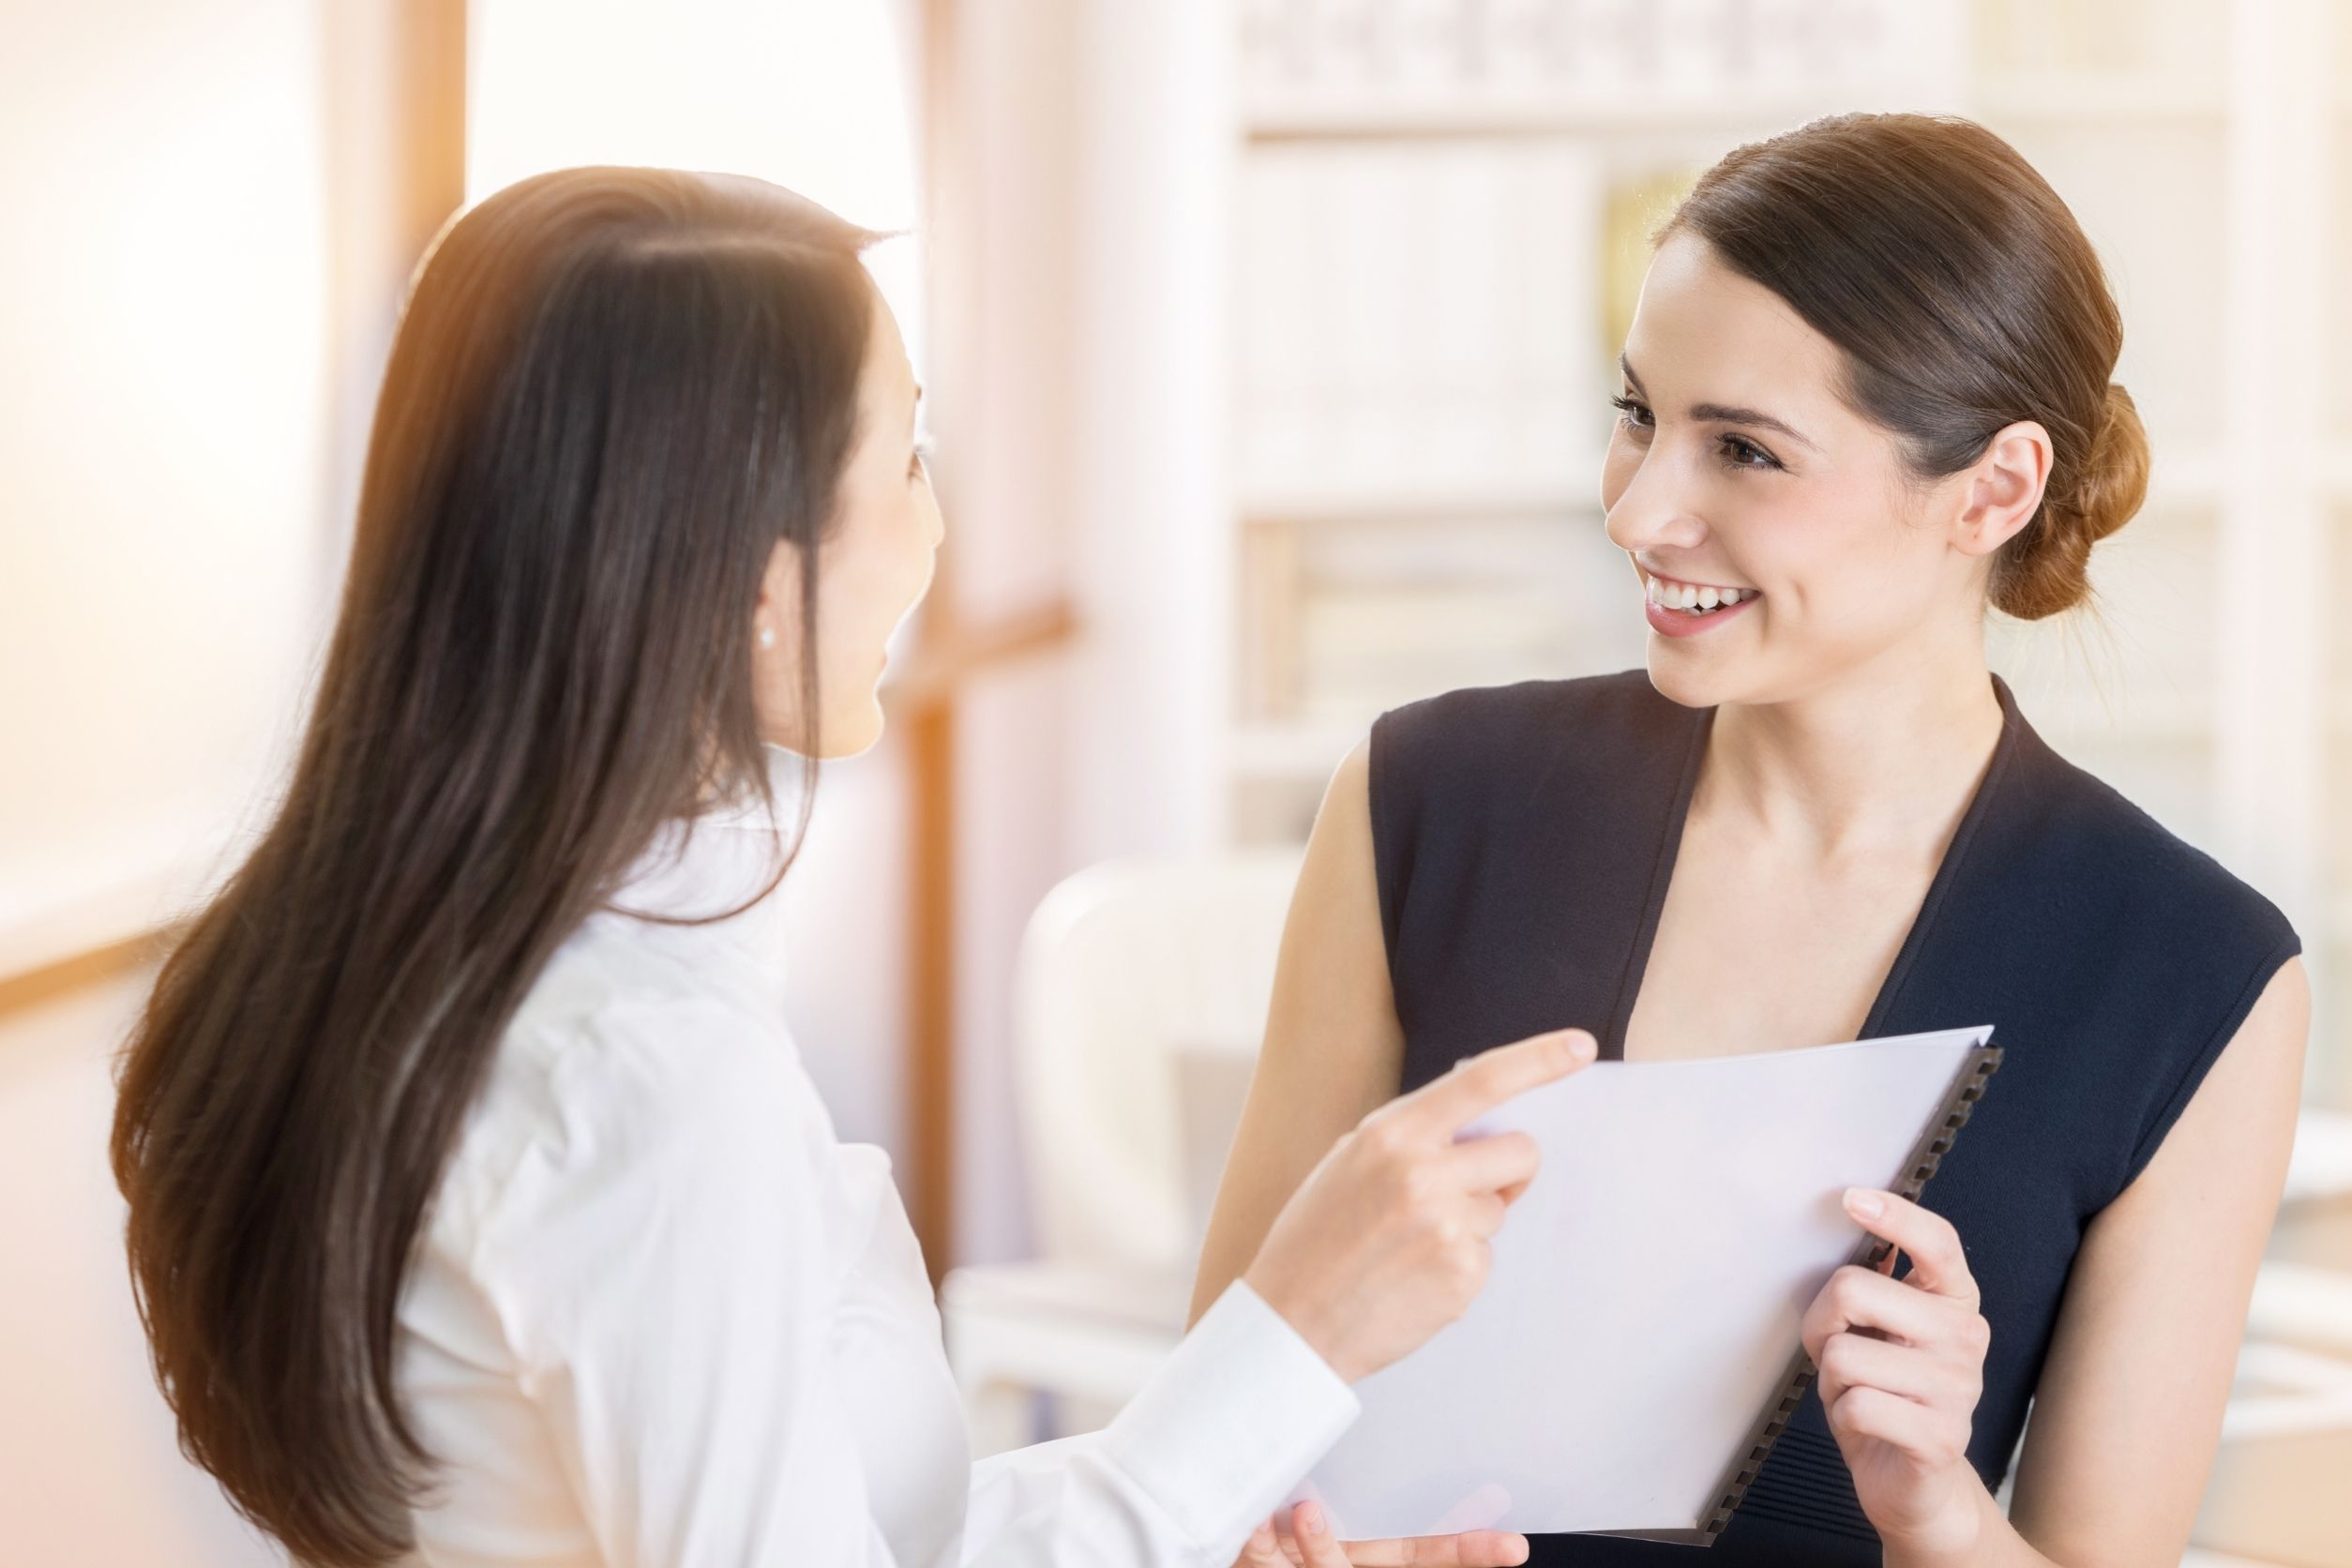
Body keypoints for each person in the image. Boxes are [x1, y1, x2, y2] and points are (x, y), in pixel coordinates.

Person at [107, 167, 1593, 1568]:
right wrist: (1299, 1327)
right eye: (908, 462)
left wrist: (1204, 1507)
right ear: (753, 571)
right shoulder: (643, 1071)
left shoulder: (437, 971)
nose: (936, 533)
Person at [1191, 113, 2308, 1567]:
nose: (1641, 510)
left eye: (1744, 451)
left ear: (1994, 489)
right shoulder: (1428, 801)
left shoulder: (2193, 974)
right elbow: (1198, 1462)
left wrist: (1942, 1514)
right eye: (1639, 413)